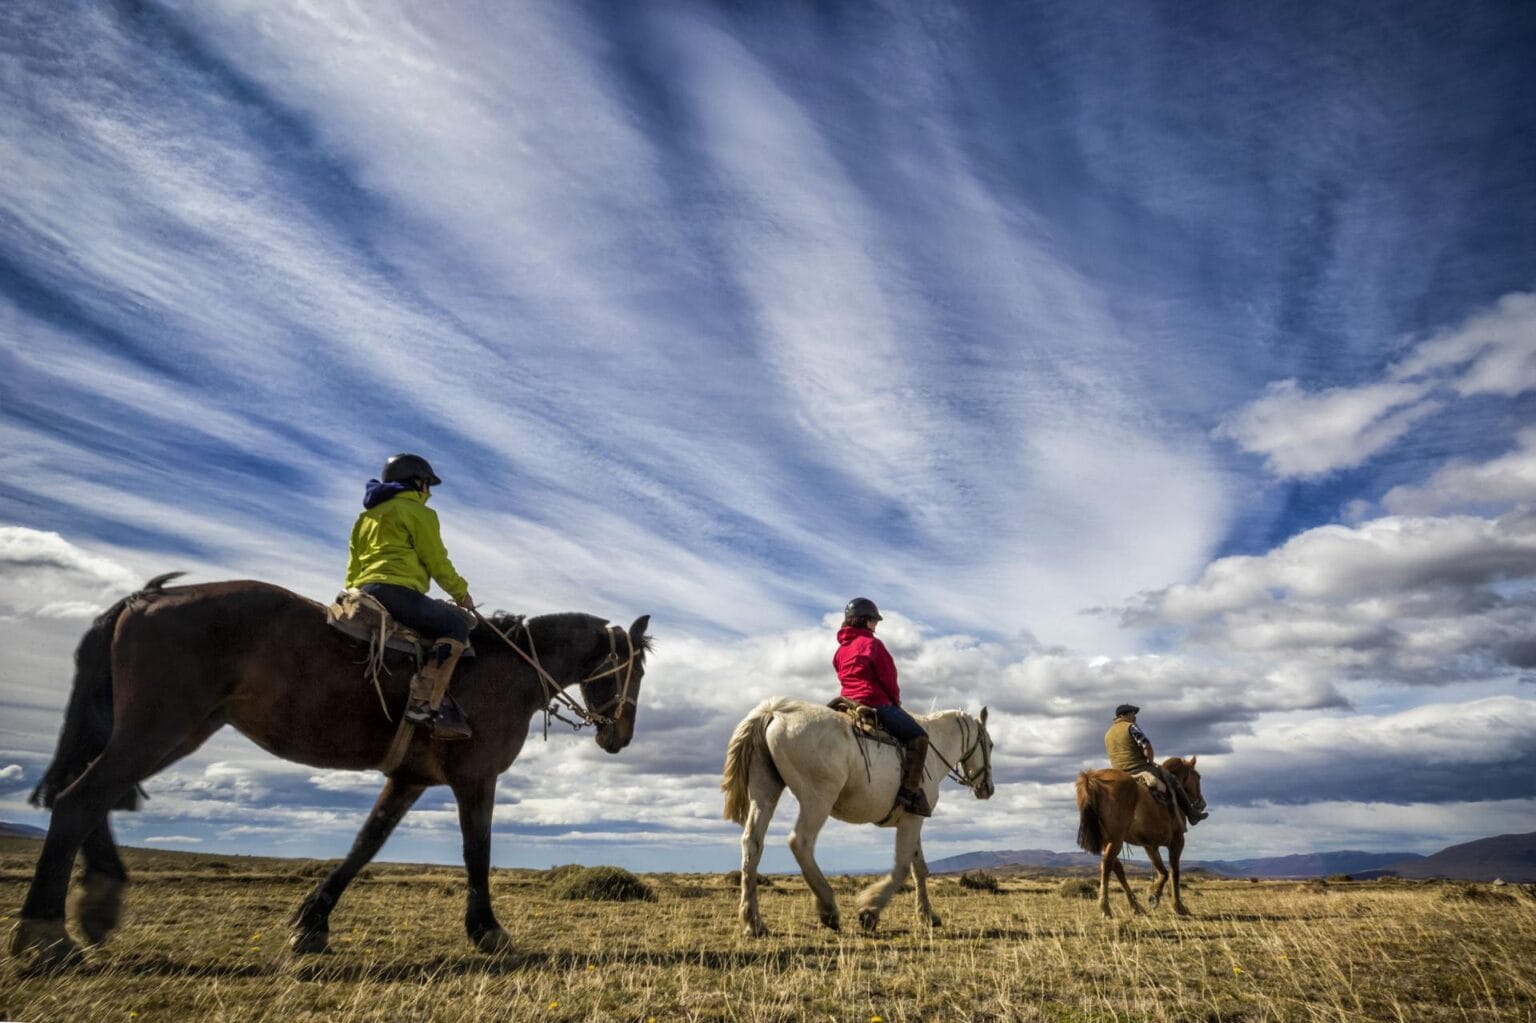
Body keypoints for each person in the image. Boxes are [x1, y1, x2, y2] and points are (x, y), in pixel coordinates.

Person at [344, 453, 477, 740]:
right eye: (427, 483)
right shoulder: (418, 513)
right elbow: (436, 560)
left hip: (365, 589)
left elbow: (354, 564)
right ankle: (423, 703)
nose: (429, 491)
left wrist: (350, 592)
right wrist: (461, 593)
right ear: (417, 482)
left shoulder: (365, 518)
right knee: (455, 626)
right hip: (397, 590)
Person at [833, 597, 932, 817]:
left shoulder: (840, 651)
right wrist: (895, 702)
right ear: (865, 620)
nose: (876, 625)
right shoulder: (873, 645)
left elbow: (841, 675)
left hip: (846, 702)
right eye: (874, 620)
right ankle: (909, 793)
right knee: (919, 737)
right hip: (873, 701)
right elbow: (888, 678)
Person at [1104, 704, 1208, 825]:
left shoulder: (1108, 734)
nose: (1134, 717)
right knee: (1172, 780)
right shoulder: (1131, 727)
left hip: (1119, 771)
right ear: (1123, 715)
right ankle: (1192, 815)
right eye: (1132, 714)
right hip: (1138, 768)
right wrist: (1150, 761)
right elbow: (1146, 746)